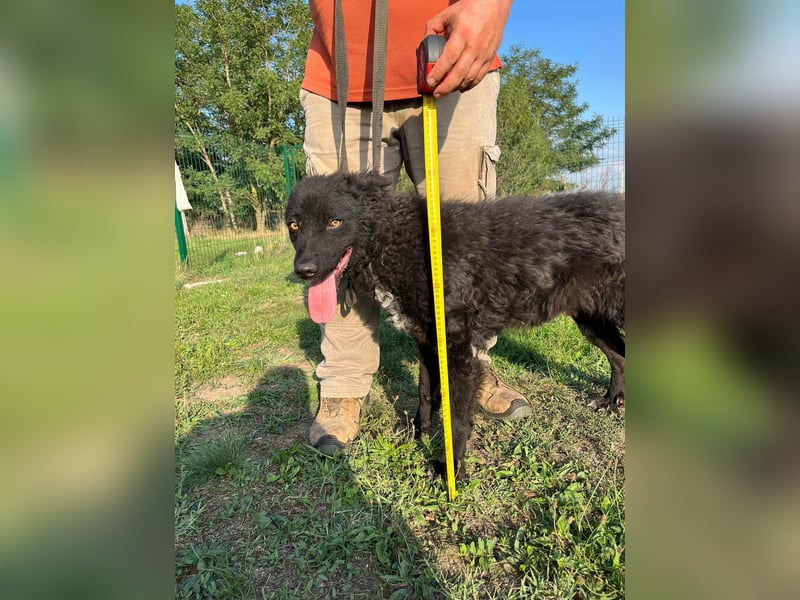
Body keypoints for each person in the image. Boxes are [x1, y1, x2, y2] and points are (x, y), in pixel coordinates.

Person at [300, 0, 531, 456]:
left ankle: (473, 364)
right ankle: (344, 382)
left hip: (453, 65)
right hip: (340, 79)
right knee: (335, 242)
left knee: (468, 248)